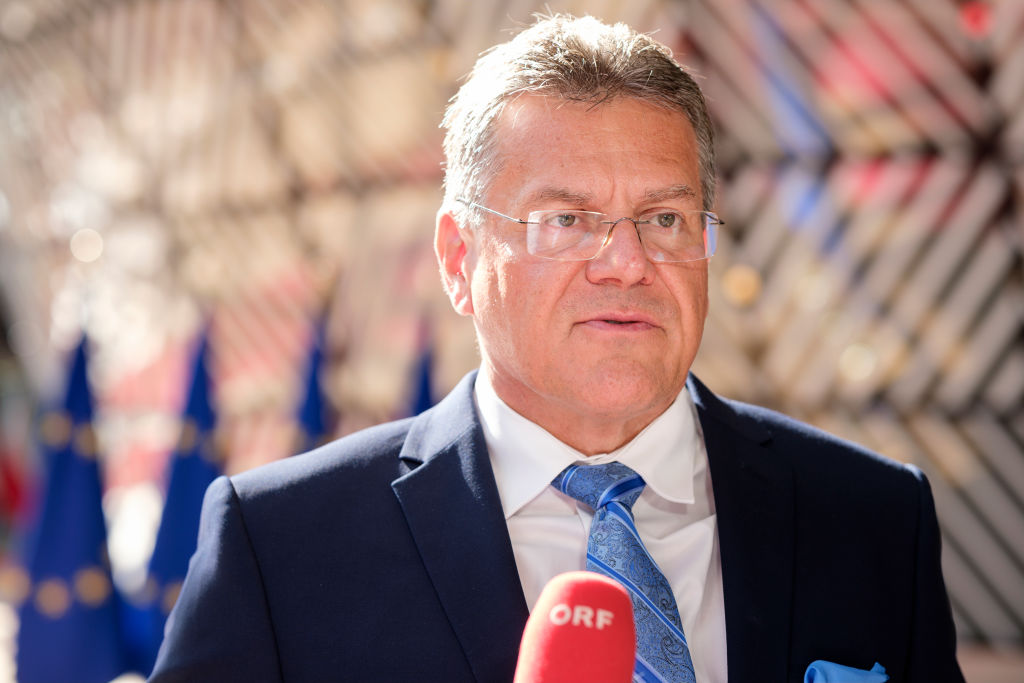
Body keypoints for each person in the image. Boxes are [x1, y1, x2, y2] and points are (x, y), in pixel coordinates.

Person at [150, 14, 965, 683]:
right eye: (566, 219)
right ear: (460, 260)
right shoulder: (281, 546)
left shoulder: (875, 520)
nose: (627, 261)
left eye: (666, 218)